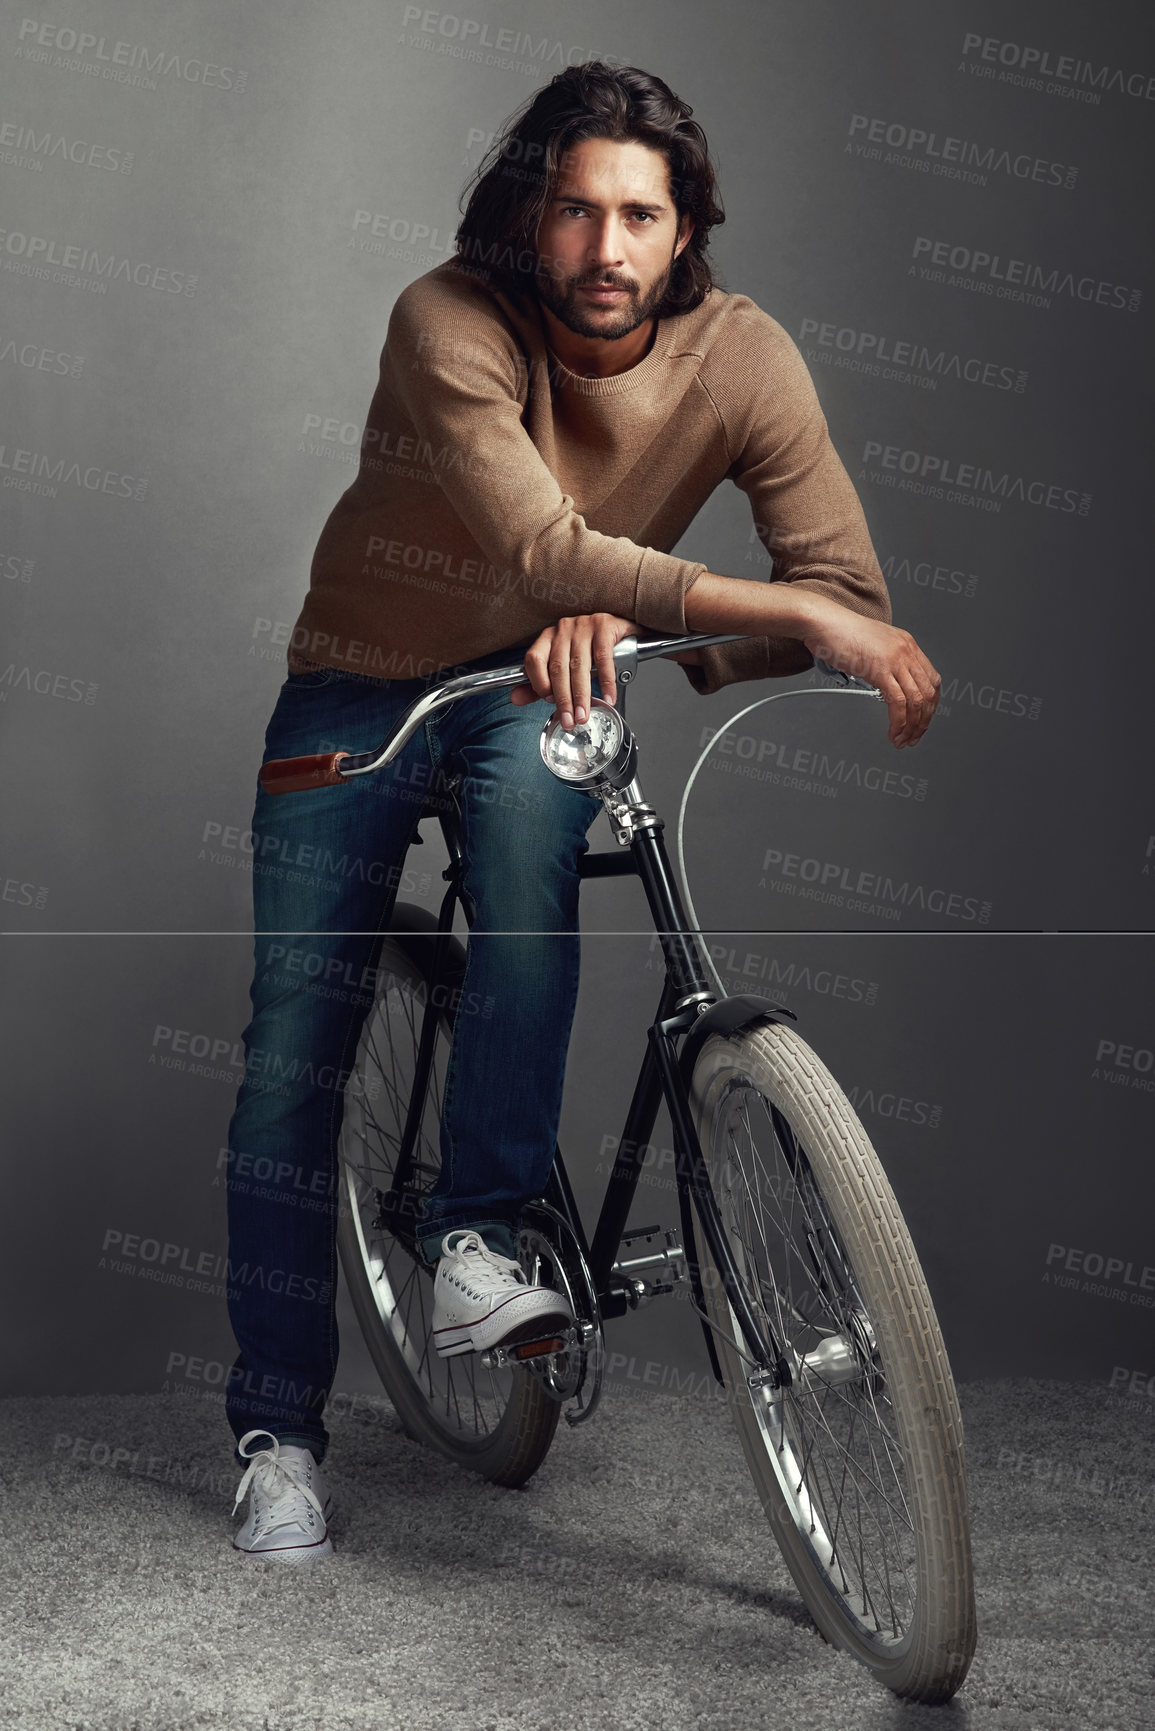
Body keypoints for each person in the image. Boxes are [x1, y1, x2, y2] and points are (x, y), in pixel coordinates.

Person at [226, 60, 941, 1561]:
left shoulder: (744, 358)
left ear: (686, 233)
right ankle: (275, 1431)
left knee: (539, 846)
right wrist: (608, 595)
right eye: (574, 212)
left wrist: (624, 632)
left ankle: (482, 1238)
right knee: (295, 1060)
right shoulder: (448, 320)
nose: (605, 249)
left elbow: (846, 593)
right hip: (359, 692)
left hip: (525, 685)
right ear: (526, 218)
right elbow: (542, 540)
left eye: (638, 216)